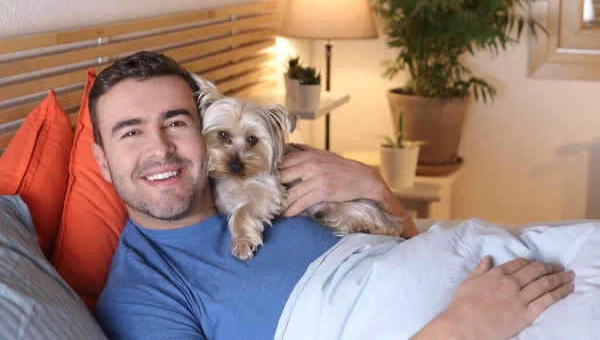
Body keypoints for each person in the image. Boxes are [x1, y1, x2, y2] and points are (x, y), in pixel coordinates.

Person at [91, 51, 574, 340]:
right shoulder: (141, 291)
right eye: (129, 133)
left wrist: (379, 190)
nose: (160, 149)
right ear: (100, 160)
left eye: (175, 123)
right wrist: (461, 327)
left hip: (487, 271)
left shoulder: (280, 175)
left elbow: (400, 241)